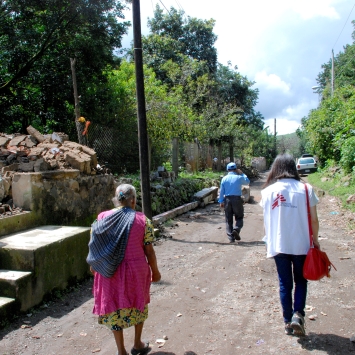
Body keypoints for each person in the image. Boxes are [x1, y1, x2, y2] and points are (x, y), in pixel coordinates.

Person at [87, 184, 161, 355]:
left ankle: (121, 351)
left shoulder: (102, 217)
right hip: (135, 270)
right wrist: (155, 271)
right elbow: (149, 251)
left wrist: (94, 264)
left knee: (113, 308)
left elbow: (94, 242)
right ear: (133, 200)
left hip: (108, 270)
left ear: (117, 200)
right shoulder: (142, 220)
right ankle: (137, 343)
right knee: (139, 303)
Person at [259, 154, 320, 336]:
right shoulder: (306, 189)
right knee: (301, 279)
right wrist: (315, 240)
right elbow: (314, 220)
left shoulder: (267, 192)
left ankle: (287, 323)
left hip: (278, 244)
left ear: (275, 169)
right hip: (301, 243)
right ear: (293, 168)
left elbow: (266, 220)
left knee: (285, 284)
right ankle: (298, 315)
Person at [218, 162, 250, 242]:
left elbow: (222, 191)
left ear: (227, 169)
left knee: (228, 219)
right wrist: (242, 174)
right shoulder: (239, 177)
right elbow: (247, 182)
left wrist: (221, 201)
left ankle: (231, 238)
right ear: (235, 169)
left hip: (227, 199)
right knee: (239, 217)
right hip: (237, 199)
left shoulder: (224, 179)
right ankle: (236, 229)